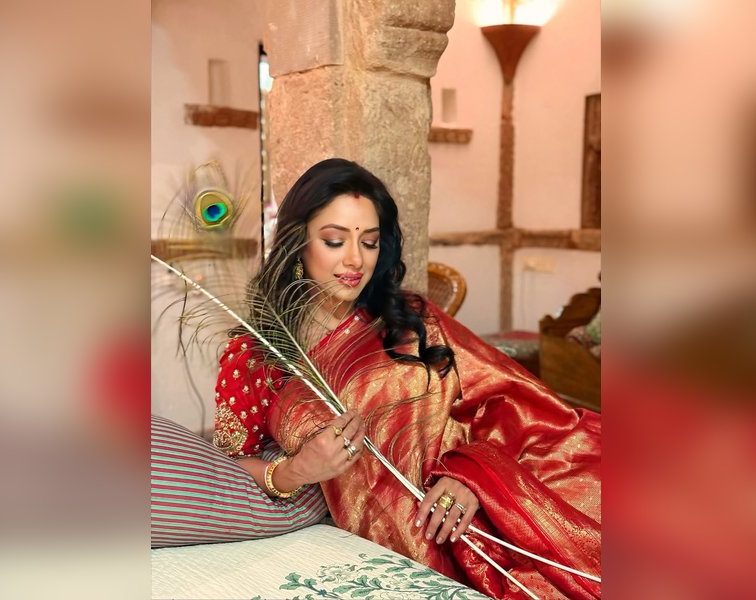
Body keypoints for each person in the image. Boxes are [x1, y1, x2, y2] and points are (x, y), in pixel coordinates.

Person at [212, 158, 601, 600]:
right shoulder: (257, 354)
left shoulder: (412, 320)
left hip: (482, 520)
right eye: (335, 240)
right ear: (297, 242)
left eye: (370, 242)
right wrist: (296, 470)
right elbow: (229, 468)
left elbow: (513, 402)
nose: (355, 260)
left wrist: (473, 475)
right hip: (383, 549)